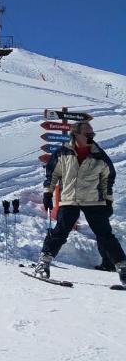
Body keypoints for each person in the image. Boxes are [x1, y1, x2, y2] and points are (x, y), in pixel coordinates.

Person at [32, 121, 126, 284]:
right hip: (70, 199)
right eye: (88, 134)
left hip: (94, 201)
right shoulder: (63, 153)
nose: (91, 136)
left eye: (92, 134)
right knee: (60, 232)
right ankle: (43, 264)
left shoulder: (99, 155)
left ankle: (123, 268)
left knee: (105, 235)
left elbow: (108, 178)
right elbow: (52, 174)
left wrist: (108, 201)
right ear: (76, 134)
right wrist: (47, 193)